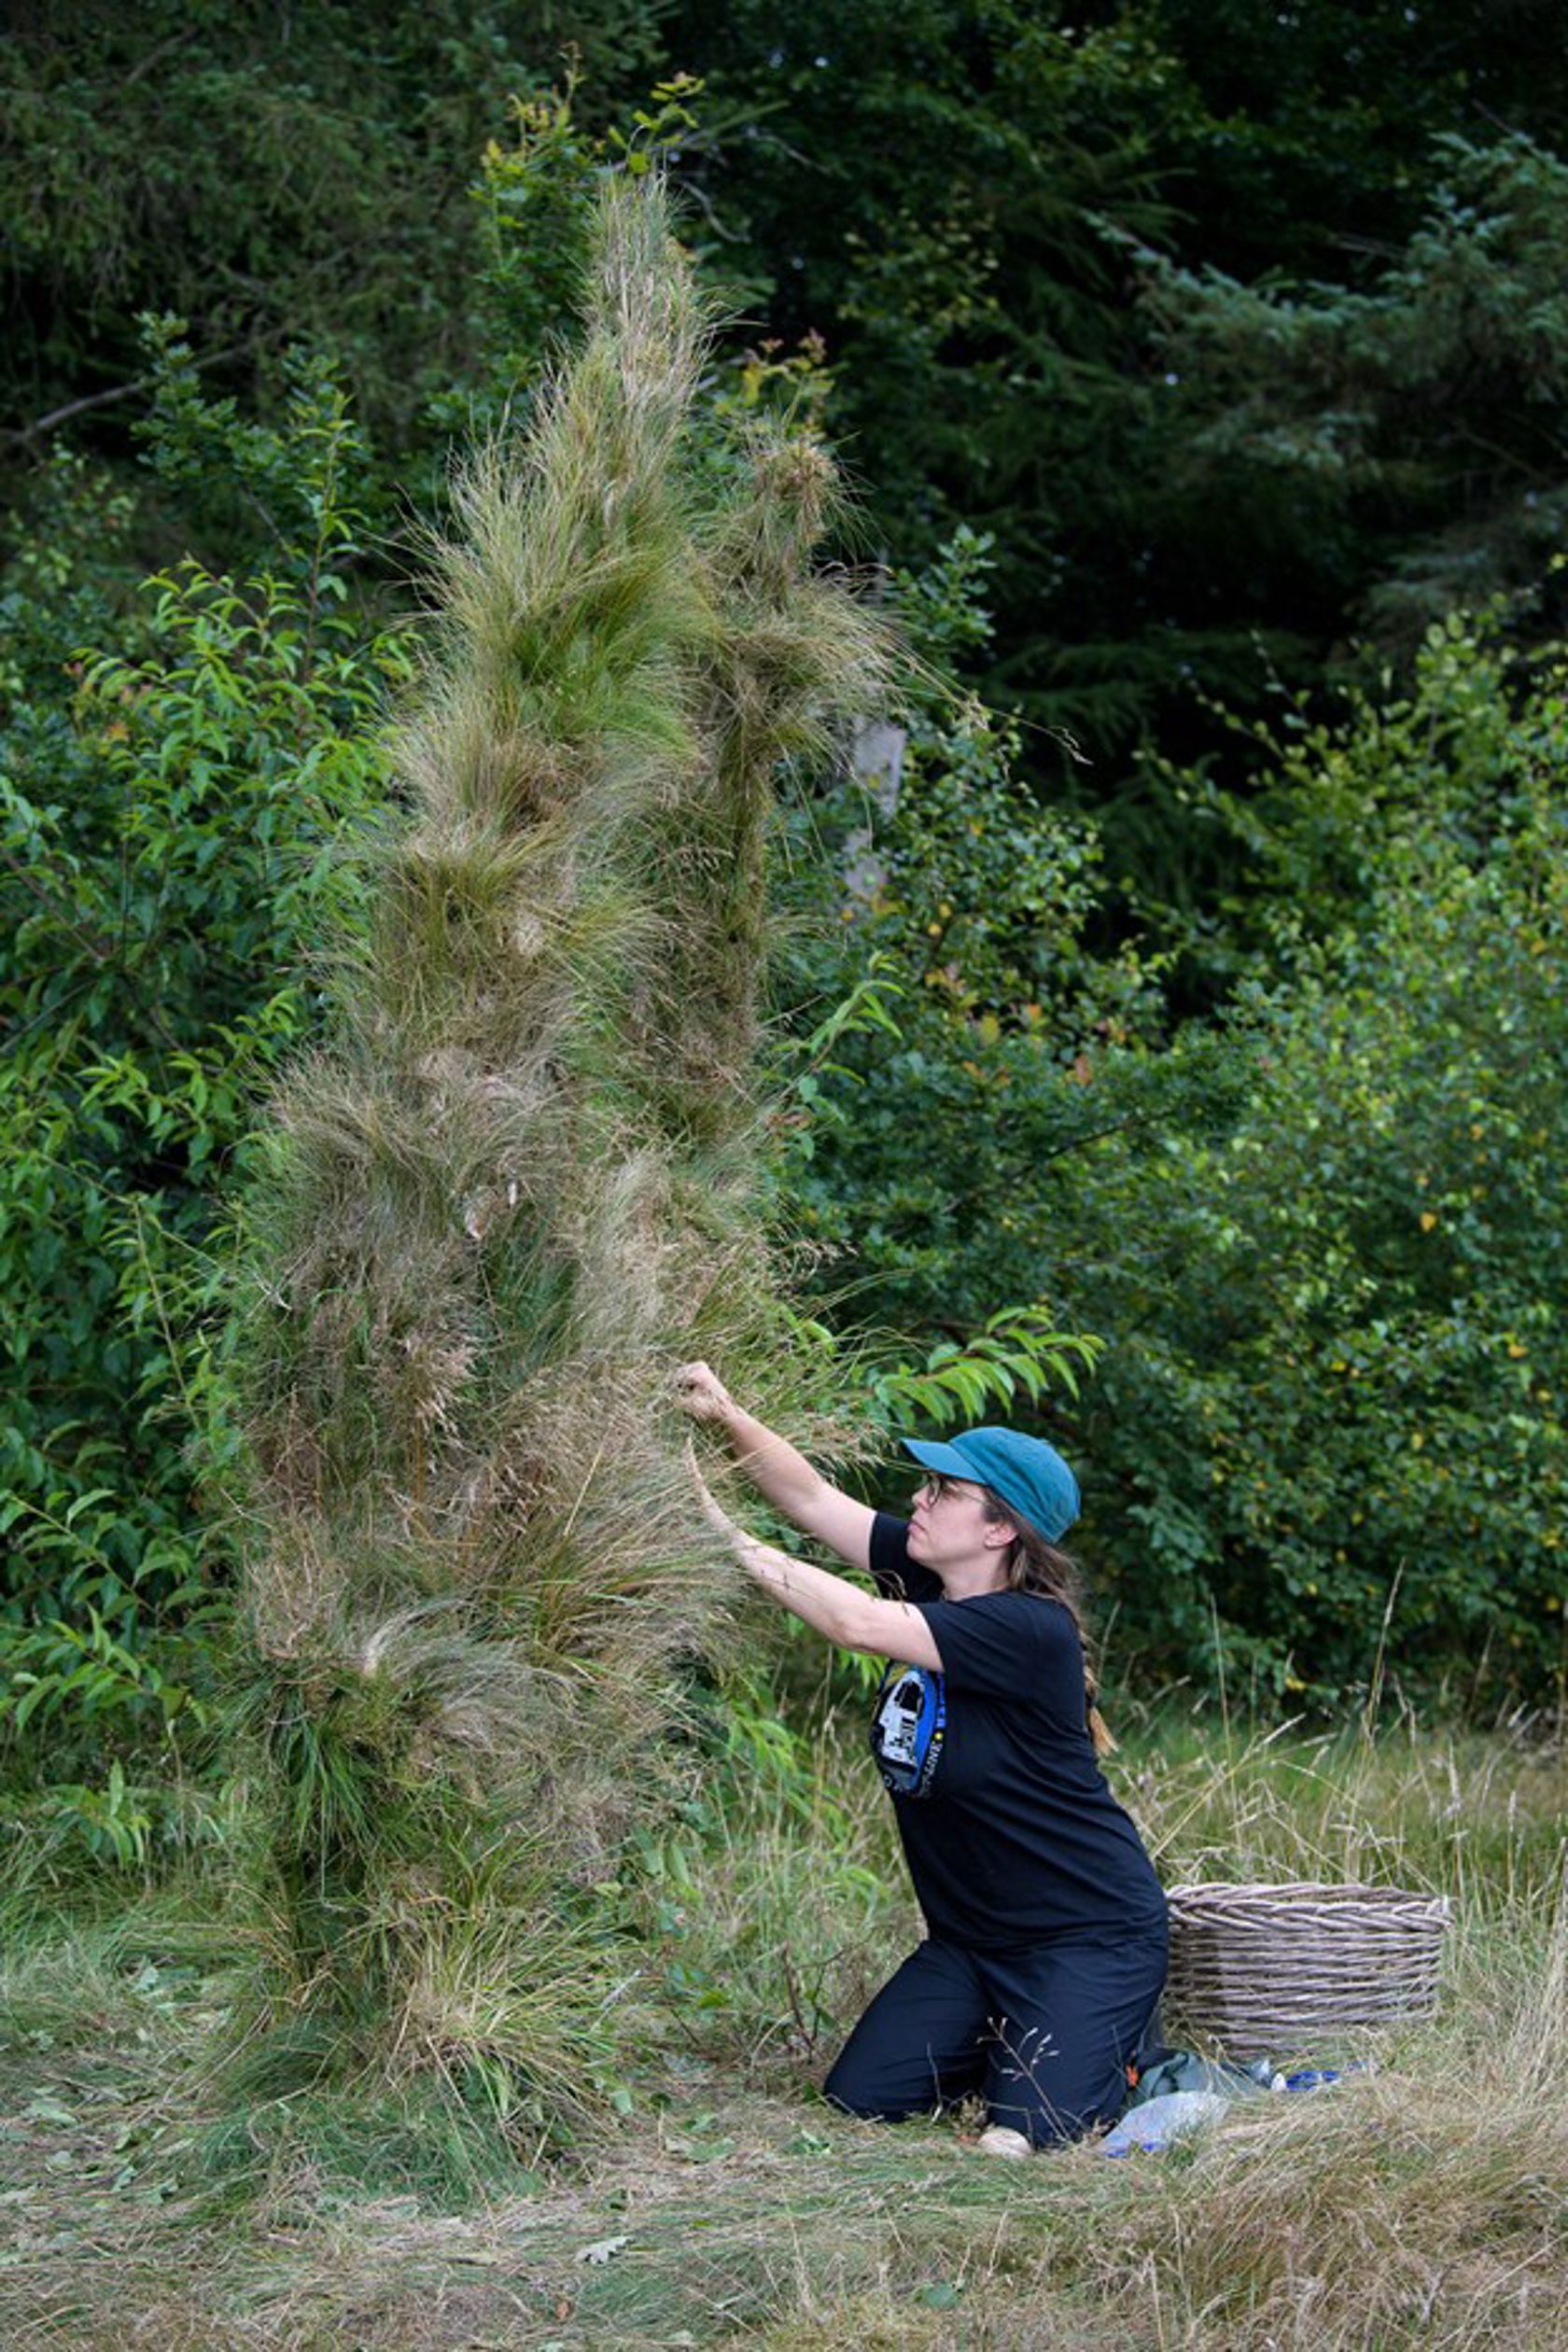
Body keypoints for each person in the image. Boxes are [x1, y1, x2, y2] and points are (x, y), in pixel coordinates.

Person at [674, 1360, 1168, 2157]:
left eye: (944, 1491)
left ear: (1000, 1529)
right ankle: (1031, 2043)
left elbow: (857, 1624)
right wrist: (724, 1414)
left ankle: (1125, 2057)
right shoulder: (935, 1579)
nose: (919, 1499)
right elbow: (807, 1499)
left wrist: (715, 1528)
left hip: (1088, 1938)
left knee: (1026, 2137)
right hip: (972, 1944)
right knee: (861, 2099)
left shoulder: (1030, 1631)